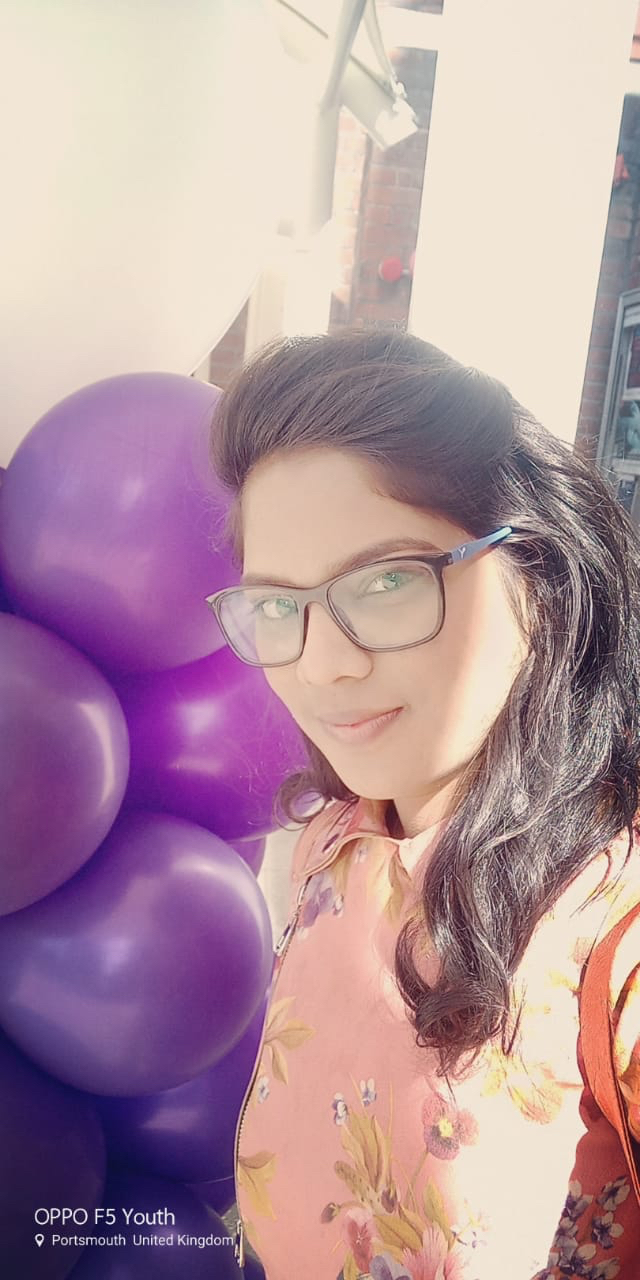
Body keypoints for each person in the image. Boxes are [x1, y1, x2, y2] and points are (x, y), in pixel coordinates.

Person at [208, 325, 640, 1280]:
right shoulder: (335, 844)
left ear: (540, 575)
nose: (324, 664)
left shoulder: (614, 927)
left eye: (388, 582)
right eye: (277, 606)